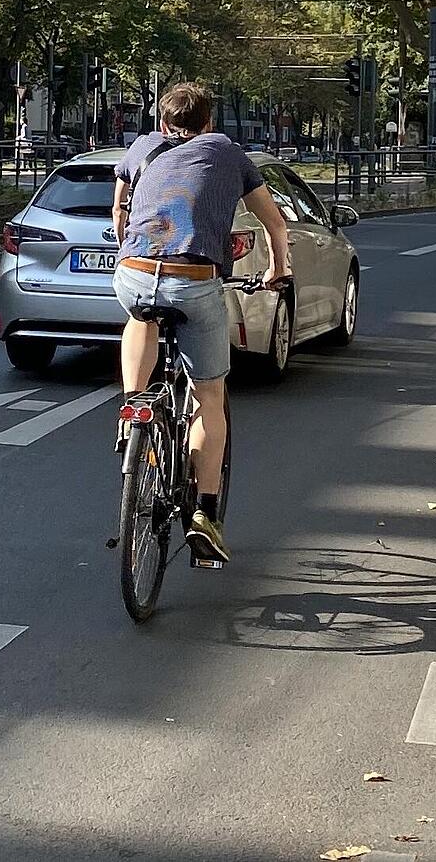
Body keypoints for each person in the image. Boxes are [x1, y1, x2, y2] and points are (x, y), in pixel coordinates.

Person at [112, 81, 294, 566]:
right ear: (209, 122)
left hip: (133, 273)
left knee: (139, 315)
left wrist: (129, 243)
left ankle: (133, 411)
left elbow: (120, 207)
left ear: (162, 121)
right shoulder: (226, 152)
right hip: (193, 280)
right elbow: (275, 223)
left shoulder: (142, 147)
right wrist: (278, 270)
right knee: (209, 395)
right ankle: (206, 516)